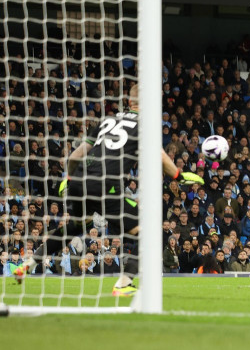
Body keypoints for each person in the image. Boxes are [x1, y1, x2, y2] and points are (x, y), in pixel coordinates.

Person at [13, 84, 205, 297]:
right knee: (150, 233)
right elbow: (160, 156)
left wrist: (68, 179)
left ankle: (30, 262)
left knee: (76, 226)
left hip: (80, 180)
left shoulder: (107, 121)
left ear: (128, 101)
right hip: (105, 185)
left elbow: (76, 155)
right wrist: (179, 176)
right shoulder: (144, 124)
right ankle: (124, 283)